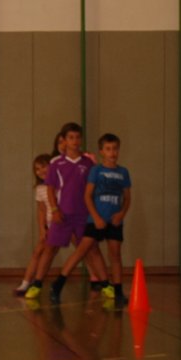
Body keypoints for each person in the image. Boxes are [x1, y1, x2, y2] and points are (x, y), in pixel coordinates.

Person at [25, 122, 112, 300]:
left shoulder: (88, 163)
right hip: (62, 214)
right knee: (50, 249)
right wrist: (54, 209)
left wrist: (97, 213)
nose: (74, 141)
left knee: (92, 249)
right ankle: (37, 284)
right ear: (64, 140)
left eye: (78, 137)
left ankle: (106, 285)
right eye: (71, 137)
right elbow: (50, 189)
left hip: (83, 215)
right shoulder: (56, 163)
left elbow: (94, 188)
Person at [49, 133, 131, 306]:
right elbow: (87, 196)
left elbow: (127, 198)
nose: (112, 152)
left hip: (115, 221)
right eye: (108, 149)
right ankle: (58, 284)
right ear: (101, 152)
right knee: (81, 251)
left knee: (115, 255)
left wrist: (122, 213)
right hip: (96, 220)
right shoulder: (96, 170)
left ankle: (118, 291)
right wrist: (95, 217)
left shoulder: (123, 172)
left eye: (115, 149)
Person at [15, 154, 52, 296]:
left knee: (84, 249)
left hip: (63, 223)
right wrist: (42, 229)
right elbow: (41, 210)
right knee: (38, 252)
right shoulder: (40, 189)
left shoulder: (59, 185)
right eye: (37, 169)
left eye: (44, 167)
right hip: (50, 225)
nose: (41, 171)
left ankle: (99, 279)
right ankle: (26, 282)